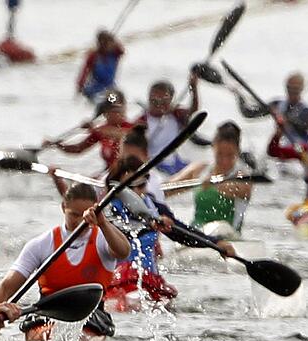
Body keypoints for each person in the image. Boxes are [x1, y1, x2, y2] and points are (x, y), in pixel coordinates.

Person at [0, 183, 130, 341]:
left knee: (79, 338)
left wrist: (103, 223)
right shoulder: (41, 244)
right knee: (49, 336)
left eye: (85, 215)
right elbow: (6, 286)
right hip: (47, 314)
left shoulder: (103, 239)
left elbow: (123, 252)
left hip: (92, 316)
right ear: (63, 207)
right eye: (74, 214)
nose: (80, 221)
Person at [104, 156, 236, 310]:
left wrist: (215, 243)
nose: (136, 194)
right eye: (130, 188)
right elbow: (120, 229)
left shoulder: (152, 205)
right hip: (118, 280)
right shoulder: (108, 208)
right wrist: (150, 225)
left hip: (149, 280)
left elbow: (179, 233)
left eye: (142, 185)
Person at [168, 121, 253, 239]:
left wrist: (215, 182)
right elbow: (166, 190)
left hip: (229, 237)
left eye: (230, 155)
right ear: (213, 147)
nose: (224, 161)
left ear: (238, 152)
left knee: (220, 228)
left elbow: (242, 190)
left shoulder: (242, 175)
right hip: (198, 233)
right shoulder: (199, 170)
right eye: (220, 154)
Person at [45, 89, 134, 169]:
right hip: (110, 174)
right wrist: (58, 145)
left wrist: (92, 129)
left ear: (124, 110)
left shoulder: (132, 128)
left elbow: (123, 135)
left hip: (129, 173)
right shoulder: (100, 130)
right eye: (109, 111)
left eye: (117, 111)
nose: (113, 114)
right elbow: (78, 149)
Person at [136, 76, 200, 175]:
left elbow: (194, 109)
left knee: (199, 170)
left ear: (170, 101)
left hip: (174, 161)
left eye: (162, 102)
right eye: (154, 101)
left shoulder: (176, 115)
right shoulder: (141, 121)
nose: (158, 105)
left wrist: (193, 88)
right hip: (154, 164)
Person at [236, 72, 308, 143]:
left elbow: (305, 128)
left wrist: (285, 119)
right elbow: (248, 113)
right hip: (280, 149)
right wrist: (238, 94)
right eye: (289, 88)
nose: (291, 92)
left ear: (302, 89)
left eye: (295, 89)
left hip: (300, 150)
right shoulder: (277, 104)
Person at [76, 30, 125, 101]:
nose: (109, 46)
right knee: (100, 102)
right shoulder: (93, 56)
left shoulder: (115, 54)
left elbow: (121, 50)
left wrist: (113, 39)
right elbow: (84, 72)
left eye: (110, 43)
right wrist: (80, 86)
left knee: (114, 101)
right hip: (94, 87)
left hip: (110, 87)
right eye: (105, 43)